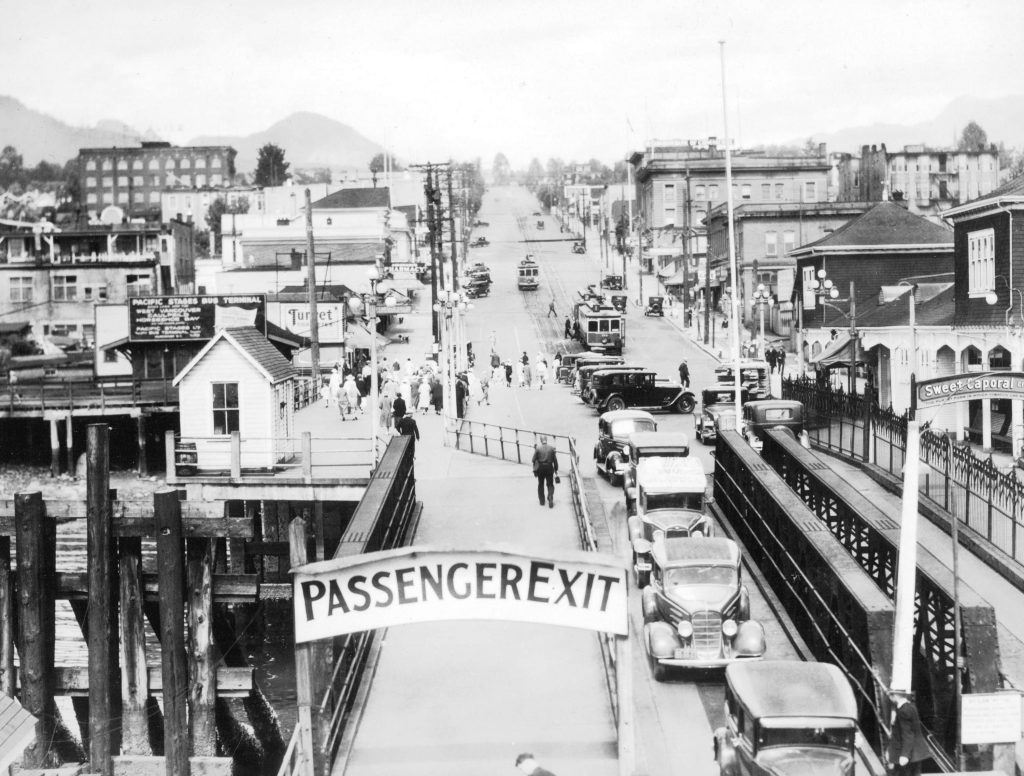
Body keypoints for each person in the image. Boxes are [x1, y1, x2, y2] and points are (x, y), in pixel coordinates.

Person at [887, 691, 930, 776]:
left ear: (895, 696)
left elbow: (907, 735)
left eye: (890, 695)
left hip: (907, 755)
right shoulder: (911, 707)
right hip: (915, 753)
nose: (889, 698)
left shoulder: (903, 711)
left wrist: (904, 755)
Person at [532, 436, 558, 508]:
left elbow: (533, 459)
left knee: (541, 484)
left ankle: (542, 501)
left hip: (541, 468)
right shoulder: (551, 448)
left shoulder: (538, 449)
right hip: (549, 467)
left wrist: (536, 464)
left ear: (541, 441)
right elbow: (555, 460)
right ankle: (550, 496)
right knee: (550, 484)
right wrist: (556, 469)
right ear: (546, 440)